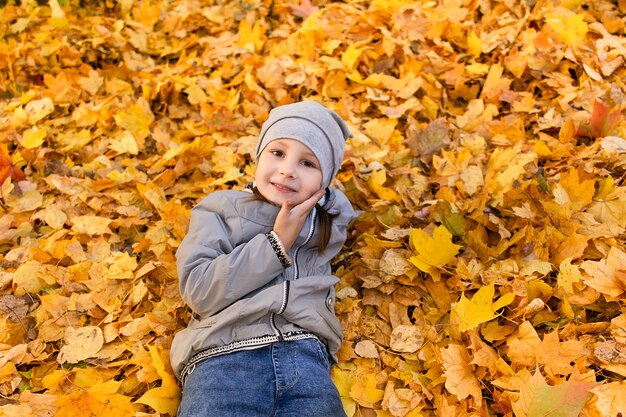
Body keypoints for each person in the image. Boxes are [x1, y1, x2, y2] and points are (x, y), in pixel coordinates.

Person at [171, 100, 356, 417]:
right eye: (278, 153)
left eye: (308, 163)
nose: (287, 170)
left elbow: (344, 210)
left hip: (306, 357)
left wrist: (318, 196)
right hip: (224, 356)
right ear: (259, 154)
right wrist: (276, 242)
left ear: (324, 183)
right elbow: (199, 290)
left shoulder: (320, 221)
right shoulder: (221, 207)